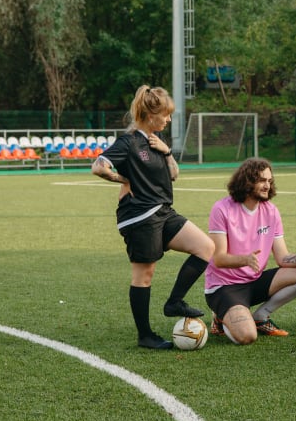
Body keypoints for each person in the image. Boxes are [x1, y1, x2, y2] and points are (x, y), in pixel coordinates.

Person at [92, 85, 215, 350]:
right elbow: (98, 166)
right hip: (139, 217)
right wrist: (122, 177)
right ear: (150, 115)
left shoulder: (157, 142)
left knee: (205, 247)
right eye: (165, 114)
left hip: (163, 211)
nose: (168, 119)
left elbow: (174, 175)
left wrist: (167, 150)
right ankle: (145, 335)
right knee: (144, 275)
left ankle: (174, 302)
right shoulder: (128, 142)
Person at [206, 158, 296, 345]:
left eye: (269, 181)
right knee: (247, 337)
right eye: (262, 180)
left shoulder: (271, 211)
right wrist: (245, 259)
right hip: (225, 287)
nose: (267, 185)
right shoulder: (222, 209)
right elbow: (218, 259)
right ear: (247, 181)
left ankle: (261, 316)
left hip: (254, 282)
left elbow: (283, 258)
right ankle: (221, 316)